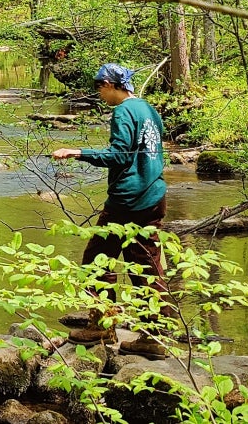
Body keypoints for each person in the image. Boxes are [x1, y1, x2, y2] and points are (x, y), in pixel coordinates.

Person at [49, 63, 170, 358]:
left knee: (96, 261)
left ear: (110, 84)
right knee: (147, 266)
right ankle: (156, 333)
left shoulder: (124, 112)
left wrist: (77, 152)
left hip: (129, 200)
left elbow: (119, 155)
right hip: (154, 195)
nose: (99, 94)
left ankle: (104, 326)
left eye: (99, 88)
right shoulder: (147, 108)